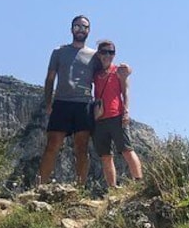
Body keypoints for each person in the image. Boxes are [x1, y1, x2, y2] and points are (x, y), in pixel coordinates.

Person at [37, 15, 130, 186]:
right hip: (62, 102)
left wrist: (126, 70)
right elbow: (50, 78)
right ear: (71, 29)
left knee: (81, 148)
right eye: (77, 26)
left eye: (84, 27)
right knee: (52, 146)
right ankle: (39, 187)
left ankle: (79, 189)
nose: (80, 29)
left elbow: (108, 69)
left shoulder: (95, 55)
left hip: (85, 104)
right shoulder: (59, 52)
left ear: (89, 31)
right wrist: (48, 102)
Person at [92, 39, 143, 188]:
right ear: (98, 54)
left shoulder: (119, 72)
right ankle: (112, 188)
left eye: (111, 52)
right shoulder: (95, 74)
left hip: (117, 116)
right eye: (104, 52)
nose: (107, 55)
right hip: (99, 120)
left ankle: (139, 183)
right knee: (106, 156)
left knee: (127, 149)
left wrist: (126, 111)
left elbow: (125, 91)